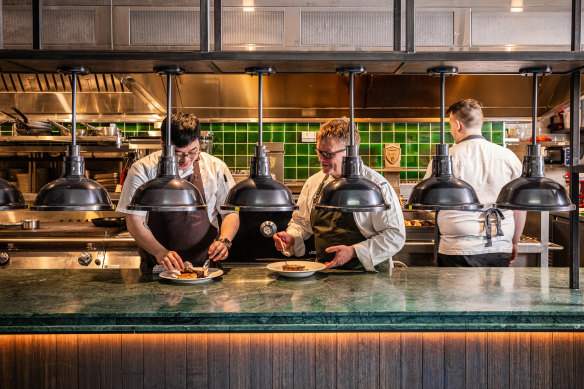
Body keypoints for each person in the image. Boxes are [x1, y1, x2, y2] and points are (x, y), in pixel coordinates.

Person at [273, 117, 406, 271]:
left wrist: (354, 251)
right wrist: (292, 237)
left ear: (351, 151)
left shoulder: (377, 186)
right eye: (318, 151)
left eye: (327, 154)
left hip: (368, 280)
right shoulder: (314, 182)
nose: (320, 159)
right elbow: (302, 222)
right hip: (324, 275)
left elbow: (394, 236)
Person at [117, 113, 239, 274]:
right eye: (178, 153)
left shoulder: (216, 167)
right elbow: (134, 220)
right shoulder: (142, 169)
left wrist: (225, 240)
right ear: (162, 143)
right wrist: (159, 252)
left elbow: (230, 212)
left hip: (205, 269)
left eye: (193, 151)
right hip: (157, 269)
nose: (186, 160)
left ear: (199, 142)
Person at [424, 99, 526, 267]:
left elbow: (426, 204)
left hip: (457, 249)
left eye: (449, 126)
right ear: (481, 122)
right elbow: (519, 207)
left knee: (458, 294)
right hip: (500, 245)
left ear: (457, 125)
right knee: (498, 294)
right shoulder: (508, 156)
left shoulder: (446, 159)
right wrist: (515, 241)